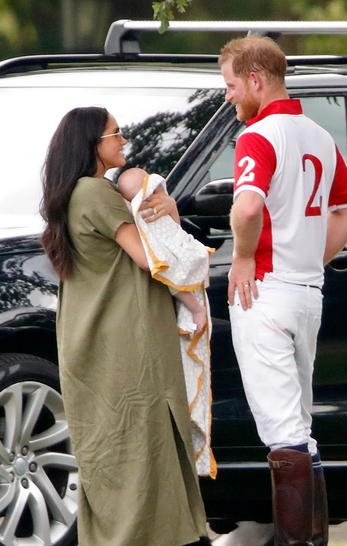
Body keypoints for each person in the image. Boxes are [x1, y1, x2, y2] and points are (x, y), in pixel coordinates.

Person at [40, 107, 210, 546]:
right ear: (91, 145)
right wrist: (193, 299)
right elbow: (153, 257)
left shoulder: (75, 195)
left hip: (93, 344)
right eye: (115, 135)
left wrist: (165, 207)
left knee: (116, 454)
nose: (123, 142)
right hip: (126, 345)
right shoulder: (95, 192)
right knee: (142, 451)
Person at [219, 36, 347, 546]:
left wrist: (241, 257)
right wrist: (311, 254)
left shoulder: (259, 136)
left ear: (257, 80)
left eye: (233, 86)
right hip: (307, 292)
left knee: (283, 433)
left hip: (265, 292)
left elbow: (247, 207)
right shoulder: (319, 135)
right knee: (300, 427)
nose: (231, 97)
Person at [117, 167, 216, 479]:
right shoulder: (134, 217)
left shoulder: (156, 210)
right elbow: (160, 260)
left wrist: (171, 210)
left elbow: (175, 245)